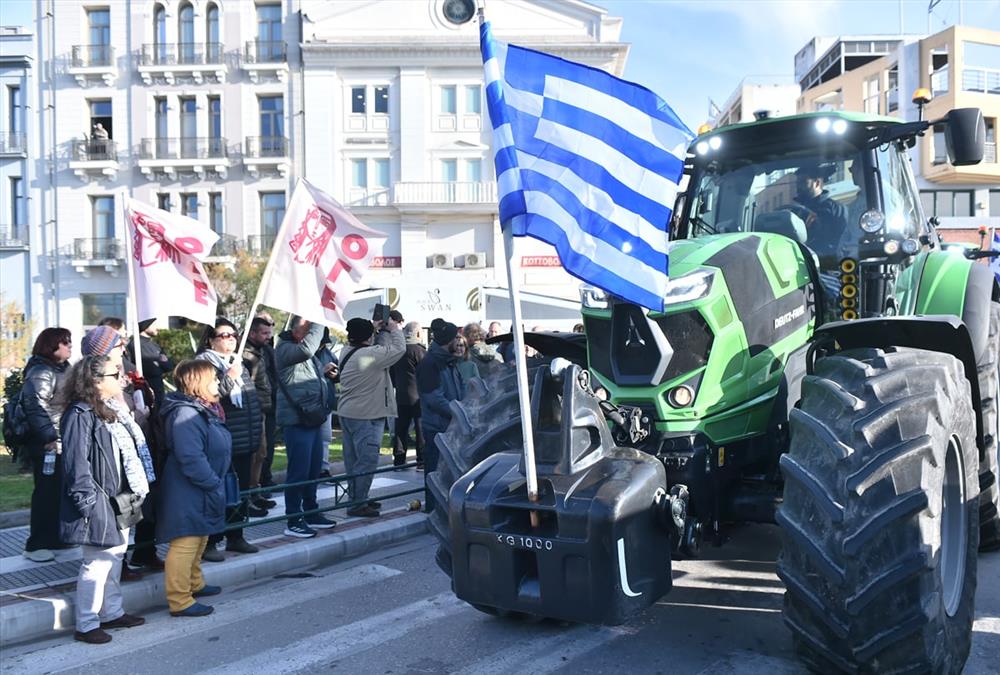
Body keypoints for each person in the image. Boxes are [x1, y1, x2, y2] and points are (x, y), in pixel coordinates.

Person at [59, 355, 149, 644]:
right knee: (97, 561)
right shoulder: (80, 414)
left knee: (116, 557)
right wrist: (87, 503)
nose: (120, 378)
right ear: (95, 381)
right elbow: (76, 463)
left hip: (120, 495)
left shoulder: (111, 409)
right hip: (97, 499)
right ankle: (86, 624)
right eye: (115, 374)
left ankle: (112, 612)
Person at [81, 326, 159, 580]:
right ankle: (93, 616)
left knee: (121, 541)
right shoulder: (86, 402)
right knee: (100, 560)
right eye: (117, 345)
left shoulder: (122, 374)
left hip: (128, 469)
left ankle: (113, 607)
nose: (123, 349)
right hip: (106, 481)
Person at [158, 360, 231, 618]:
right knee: (186, 541)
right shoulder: (186, 413)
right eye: (213, 379)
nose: (218, 384)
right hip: (189, 486)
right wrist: (212, 482)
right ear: (198, 383)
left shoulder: (203, 409)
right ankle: (180, 600)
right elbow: (190, 456)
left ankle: (194, 583)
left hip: (202, 484)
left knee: (200, 535)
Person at [196, 318, 263, 558]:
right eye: (223, 335)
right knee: (219, 492)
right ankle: (211, 542)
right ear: (211, 340)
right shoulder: (204, 364)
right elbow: (207, 396)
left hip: (244, 438)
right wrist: (229, 377)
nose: (231, 338)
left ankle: (236, 535)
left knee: (240, 491)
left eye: (233, 334)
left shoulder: (236, 363)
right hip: (221, 441)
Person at [275, 317, 338, 538]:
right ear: (294, 329)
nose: (311, 329)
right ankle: (293, 519)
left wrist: (324, 372)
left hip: (312, 418)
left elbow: (304, 376)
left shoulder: (299, 349)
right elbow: (308, 350)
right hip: (297, 419)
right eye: (307, 324)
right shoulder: (285, 349)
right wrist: (320, 318)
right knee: (298, 471)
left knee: (312, 469)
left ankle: (311, 511)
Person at [337, 316, 405, 518]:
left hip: (349, 413)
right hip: (366, 416)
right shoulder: (368, 355)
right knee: (366, 461)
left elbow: (375, 353)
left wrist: (374, 331)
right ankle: (357, 505)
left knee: (353, 462)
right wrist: (394, 329)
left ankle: (358, 498)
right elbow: (398, 350)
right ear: (367, 337)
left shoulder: (347, 352)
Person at [20, 327, 73, 563]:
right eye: (66, 342)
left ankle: (55, 537)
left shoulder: (62, 369)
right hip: (48, 443)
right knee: (46, 491)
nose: (70, 346)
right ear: (53, 346)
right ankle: (36, 544)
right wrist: (49, 437)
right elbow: (35, 406)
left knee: (59, 490)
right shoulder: (41, 371)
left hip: (62, 437)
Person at [417, 321, 464, 512]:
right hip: (438, 427)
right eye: (456, 338)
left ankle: (443, 507)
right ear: (448, 340)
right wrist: (459, 412)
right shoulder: (431, 363)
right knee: (436, 469)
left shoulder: (447, 361)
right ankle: (434, 509)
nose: (459, 341)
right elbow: (434, 398)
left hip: (449, 424)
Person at [243, 317, 278, 511]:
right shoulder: (246, 355)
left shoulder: (262, 352)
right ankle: (246, 498)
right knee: (253, 455)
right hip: (252, 411)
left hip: (264, 410)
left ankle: (255, 493)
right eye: (264, 333)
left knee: (261, 454)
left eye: (269, 333)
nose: (268, 336)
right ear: (252, 333)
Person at [390, 321, 426, 468]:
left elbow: (391, 374)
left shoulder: (398, 350)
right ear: (417, 333)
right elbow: (425, 373)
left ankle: (399, 460)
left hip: (401, 395)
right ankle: (421, 460)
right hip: (418, 396)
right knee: (420, 429)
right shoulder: (419, 351)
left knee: (401, 429)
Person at [794, 163, 848, 259]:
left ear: (817, 183)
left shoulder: (836, 209)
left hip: (827, 266)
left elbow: (845, 240)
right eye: (798, 183)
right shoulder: (795, 213)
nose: (798, 187)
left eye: (803, 182)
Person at [129, 319, 175, 406]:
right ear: (145, 326)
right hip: (147, 395)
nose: (157, 327)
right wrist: (160, 361)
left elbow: (168, 366)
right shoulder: (137, 345)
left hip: (158, 393)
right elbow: (152, 369)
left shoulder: (153, 344)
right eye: (154, 324)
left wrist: (159, 362)